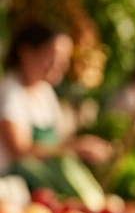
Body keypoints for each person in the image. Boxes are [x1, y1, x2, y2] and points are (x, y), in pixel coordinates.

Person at [0, 22, 112, 172]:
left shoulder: (45, 92)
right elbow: (20, 150)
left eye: (65, 58)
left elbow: (56, 142)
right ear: (27, 53)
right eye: (54, 56)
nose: (62, 64)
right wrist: (74, 147)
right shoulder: (11, 93)